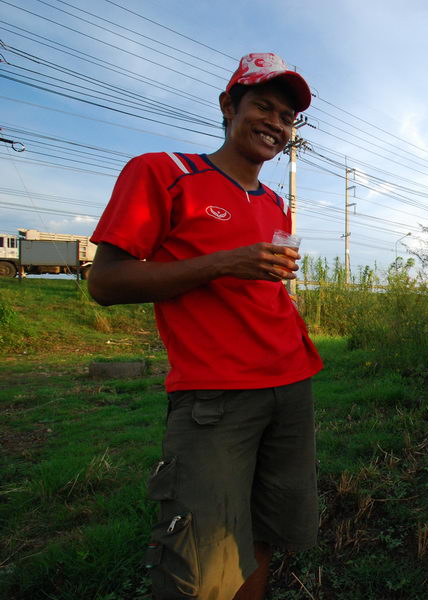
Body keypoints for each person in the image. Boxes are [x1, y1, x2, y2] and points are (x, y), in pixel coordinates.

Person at [88, 52, 323, 600]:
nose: (274, 123)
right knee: (200, 565)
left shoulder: (274, 201)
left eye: (287, 117)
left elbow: (260, 289)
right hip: (214, 396)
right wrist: (224, 262)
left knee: (264, 534)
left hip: (290, 384)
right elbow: (106, 283)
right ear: (227, 105)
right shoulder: (164, 172)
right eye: (262, 107)